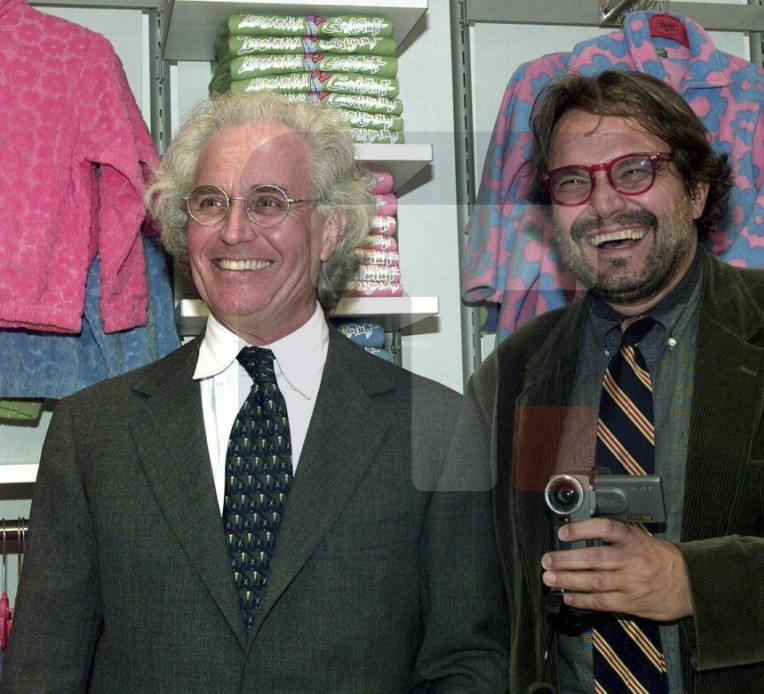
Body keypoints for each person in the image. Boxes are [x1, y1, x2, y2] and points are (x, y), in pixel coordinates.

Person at [1, 92, 508, 692]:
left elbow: (466, 664)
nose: (234, 231)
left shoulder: (438, 428)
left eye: (268, 202)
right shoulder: (92, 432)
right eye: (210, 203)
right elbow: (43, 670)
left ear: (329, 229)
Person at [467, 69, 764, 693]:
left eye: (634, 172)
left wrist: (692, 583)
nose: (603, 205)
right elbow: (494, 601)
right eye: (573, 182)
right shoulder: (512, 375)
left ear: (697, 191)